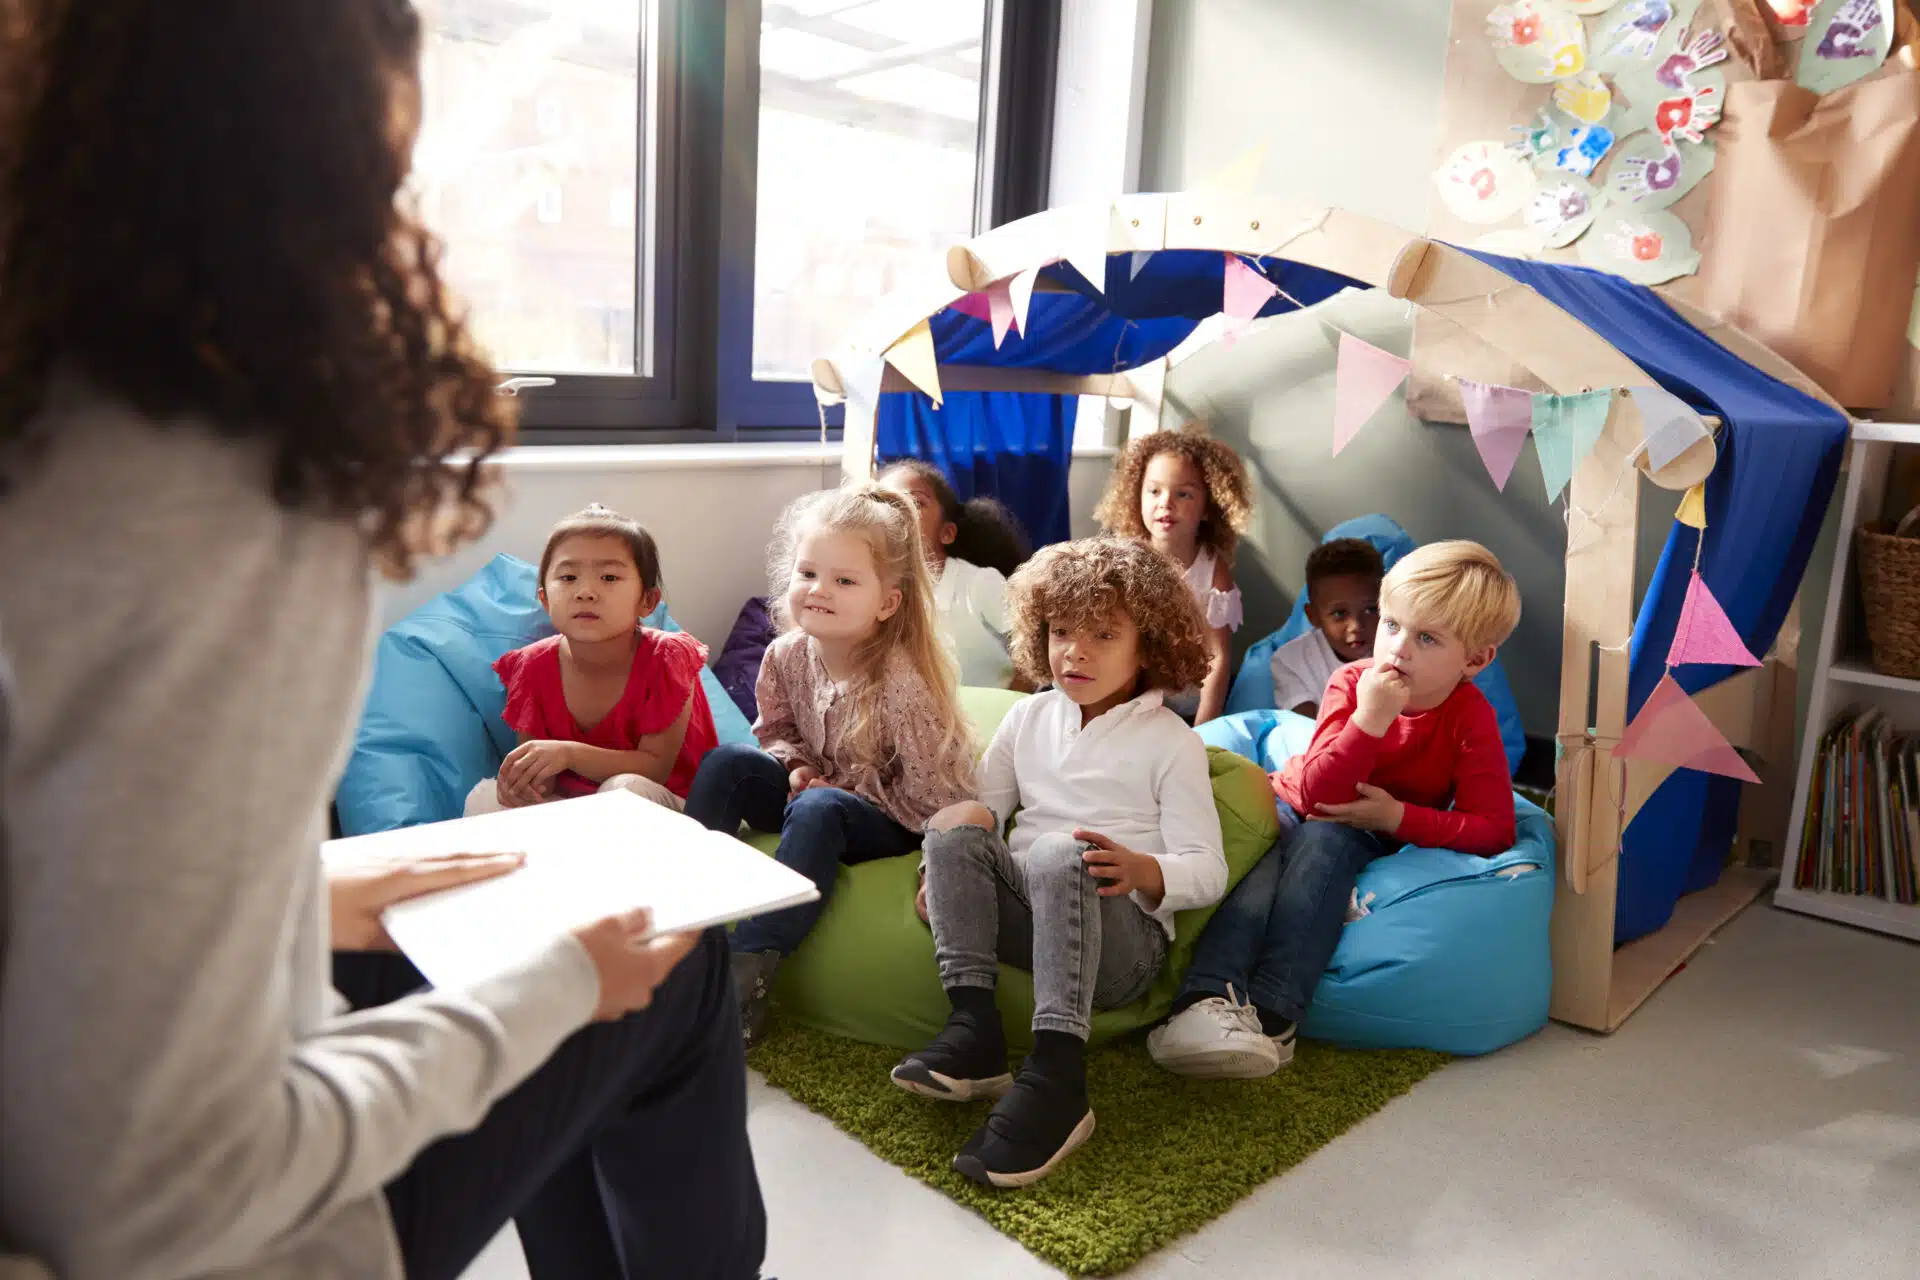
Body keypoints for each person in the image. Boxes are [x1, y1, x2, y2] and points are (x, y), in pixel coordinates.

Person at [0, 4, 765, 1278]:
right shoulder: (207, 501)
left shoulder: (46, 432)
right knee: (671, 971)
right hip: (212, 1233)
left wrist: (296, 900)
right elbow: (141, 1189)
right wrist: (553, 992)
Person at [892, 537, 1226, 1188]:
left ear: (1149, 644)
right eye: (1063, 630)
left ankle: (1058, 1078)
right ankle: (975, 1031)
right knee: (956, 820)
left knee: (1056, 851)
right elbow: (983, 814)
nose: (1076, 649)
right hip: (1030, 915)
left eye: (1104, 633)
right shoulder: (1028, 718)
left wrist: (1142, 870)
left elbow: (1207, 868)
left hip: (1117, 948)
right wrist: (938, 873)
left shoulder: (1173, 742)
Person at [1149, 541, 1521, 1080]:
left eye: (1426, 638)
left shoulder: (1470, 718)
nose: (1396, 649)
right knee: (1259, 844)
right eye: (1391, 624)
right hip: (1299, 799)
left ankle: (1275, 1014)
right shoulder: (1353, 683)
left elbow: (1495, 829)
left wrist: (1397, 818)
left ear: (1476, 659)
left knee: (1323, 844)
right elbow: (1318, 790)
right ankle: (1204, 999)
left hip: (1362, 828)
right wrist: (1369, 720)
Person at [684, 482, 976, 1045]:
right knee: (727, 763)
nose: (819, 590)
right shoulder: (785, 653)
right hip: (812, 793)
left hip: (893, 818)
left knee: (821, 807)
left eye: (844, 581)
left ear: (886, 603)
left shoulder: (900, 683)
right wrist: (792, 766)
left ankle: (748, 973)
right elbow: (776, 731)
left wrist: (935, 867)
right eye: (807, 573)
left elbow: (938, 797)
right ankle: (684, 927)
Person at [467, 503, 718, 815]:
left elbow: (655, 768)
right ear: (544, 598)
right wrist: (523, 783)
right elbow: (540, 779)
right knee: (485, 796)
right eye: (569, 577)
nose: (585, 592)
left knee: (624, 789)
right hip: (574, 808)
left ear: (647, 600)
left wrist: (568, 754)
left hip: (667, 804)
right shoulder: (530, 666)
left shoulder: (668, 658)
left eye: (609, 577)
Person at [1093, 428, 1253, 724]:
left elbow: (1218, 658)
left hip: (1188, 701)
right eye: (1154, 491)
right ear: (1136, 496)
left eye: (1183, 494)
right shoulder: (1125, 560)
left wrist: (1205, 728)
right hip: (1131, 697)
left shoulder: (1211, 569)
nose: (1166, 502)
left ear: (1208, 507)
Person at [877, 458, 1031, 690]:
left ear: (947, 533)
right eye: (886, 503)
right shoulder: (870, 590)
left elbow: (1033, 647)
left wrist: (1013, 703)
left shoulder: (978, 583)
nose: (898, 511)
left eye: (915, 502)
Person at [1269, 538, 1385, 718]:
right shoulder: (1290, 661)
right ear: (1313, 616)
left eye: (1370, 610)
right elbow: (1308, 731)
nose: (1356, 626)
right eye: (1340, 614)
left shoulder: (1397, 653)